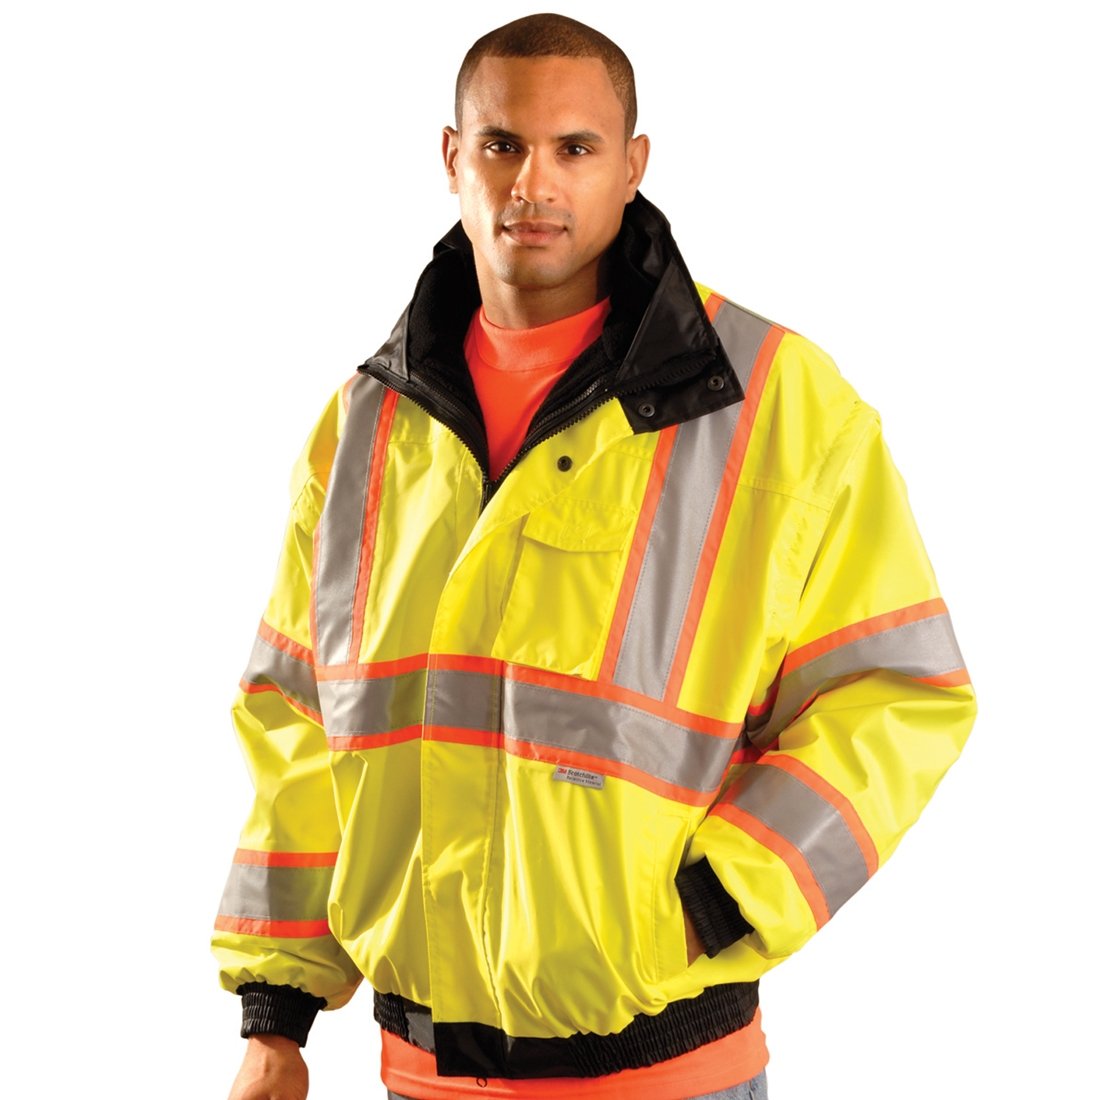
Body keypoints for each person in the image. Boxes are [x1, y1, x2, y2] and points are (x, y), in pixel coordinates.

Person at [213, 13, 977, 1100]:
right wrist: (274, 1015)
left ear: (632, 165)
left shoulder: (774, 402)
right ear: (451, 157)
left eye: (574, 148)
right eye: (502, 144)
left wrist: (726, 896)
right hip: (419, 1075)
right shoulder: (365, 429)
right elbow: (295, 718)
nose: (533, 182)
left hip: (669, 1073)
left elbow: (898, 688)